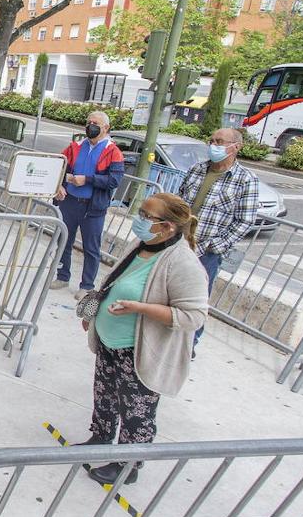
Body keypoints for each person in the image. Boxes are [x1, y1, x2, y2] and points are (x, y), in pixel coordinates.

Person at [77, 193, 208, 485]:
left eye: (147, 216)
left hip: (139, 351)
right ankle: (100, 436)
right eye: (141, 212)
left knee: (137, 408)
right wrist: (94, 315)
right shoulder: (142, 245)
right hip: (111, 342)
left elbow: (194, 317)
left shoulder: (183, 263)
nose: (139, 220)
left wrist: (140, 309)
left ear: (167, 227)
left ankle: (128, 464)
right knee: (105, 394)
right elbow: (113, 283)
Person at [179, 127, 260, 346]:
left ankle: (190, 342)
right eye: (212, 140)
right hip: (178, 243)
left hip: (207, 252)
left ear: (236, 147)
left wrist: (214, 246)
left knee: (197, 298)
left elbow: (245, 221)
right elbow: (179, 200)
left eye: (220, 141)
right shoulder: (197, 169)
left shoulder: (245, 180)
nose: (214, 145)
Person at [52, 111, 124, 295]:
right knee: (64, 241)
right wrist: (59, 185)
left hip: (92, 207)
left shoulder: (113, 152)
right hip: (70, 201)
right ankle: (62, 276)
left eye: (95, 123)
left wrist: (88, 180)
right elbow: (60, 166)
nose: (90, 125)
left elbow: (114, 180)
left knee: (91, 248)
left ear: (106, 128)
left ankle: (87, 285)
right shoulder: (75, 146)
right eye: (89, 122)